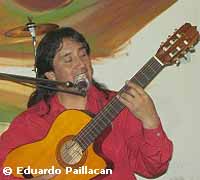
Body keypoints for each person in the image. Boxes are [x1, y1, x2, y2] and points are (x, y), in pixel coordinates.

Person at [0, 27, 173, 180]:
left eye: (83, 55)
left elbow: (153, 169)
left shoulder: (120, 105)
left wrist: (151, 121)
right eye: (68, 60)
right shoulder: (32, 121)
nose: (81, 64)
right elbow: (4, 170)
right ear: (51, 75)